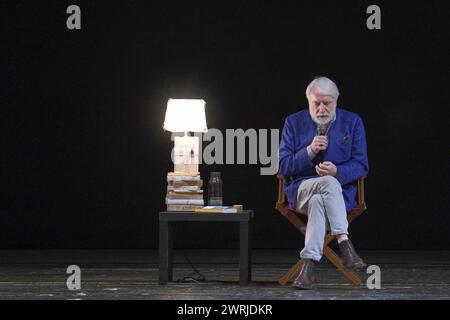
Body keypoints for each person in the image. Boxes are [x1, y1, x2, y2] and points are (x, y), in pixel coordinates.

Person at [278, 76, 369, 289]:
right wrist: (309, 151)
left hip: (339, 195)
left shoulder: (352, 122)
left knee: (320, 198)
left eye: (326, 103)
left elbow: (362, 165)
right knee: (326, 184)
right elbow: (283, 166)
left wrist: (338, 171)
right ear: (309, 101)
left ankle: (307, 269)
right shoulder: (293, 122)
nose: (321, 108)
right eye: (315, 103)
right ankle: (344, 242)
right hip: (301, 190)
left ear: (336, 101)